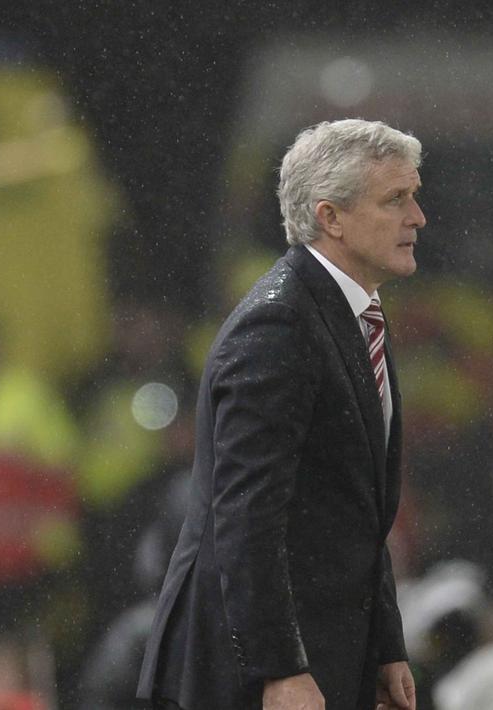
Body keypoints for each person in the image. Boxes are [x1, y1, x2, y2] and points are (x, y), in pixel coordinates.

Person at [137, 119, 427, 710]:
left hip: (322, 649)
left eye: (413, 195)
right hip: (252, 670)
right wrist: (278, 669)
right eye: (396, 199)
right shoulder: (280, 326)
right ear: (331, 217)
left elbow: (356, 511)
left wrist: (385, 644)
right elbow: (246, 515)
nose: (417, 217)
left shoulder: (353, 313)